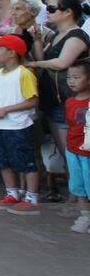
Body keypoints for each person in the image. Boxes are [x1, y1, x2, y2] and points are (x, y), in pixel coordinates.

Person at [24, 0, 89, 186]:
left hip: (67, 100)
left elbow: (62, 63)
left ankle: (77, 200)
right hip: (54, 98)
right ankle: (75, 197)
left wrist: (35, 65)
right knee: (65, 152)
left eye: (52, 8)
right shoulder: (59, 34)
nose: (48, 12)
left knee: (71, 152)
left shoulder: (77, 35)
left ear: (68, 12)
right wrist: (36, 41)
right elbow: (44, 60)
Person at [0, 34, 42, 215]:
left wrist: (6, 110)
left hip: (19, 125)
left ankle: (31, 196)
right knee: (3, 161)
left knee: (25, 162)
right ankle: (12, 193)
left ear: (12, 53)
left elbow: (32, 101)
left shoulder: (24, 74)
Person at [63, 60, 90, 232]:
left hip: (88, 151)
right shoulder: (70, 101)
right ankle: (85, 216)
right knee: (77, 184)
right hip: (73, 149)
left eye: (77, 77)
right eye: (69, 77)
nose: (71, 81)